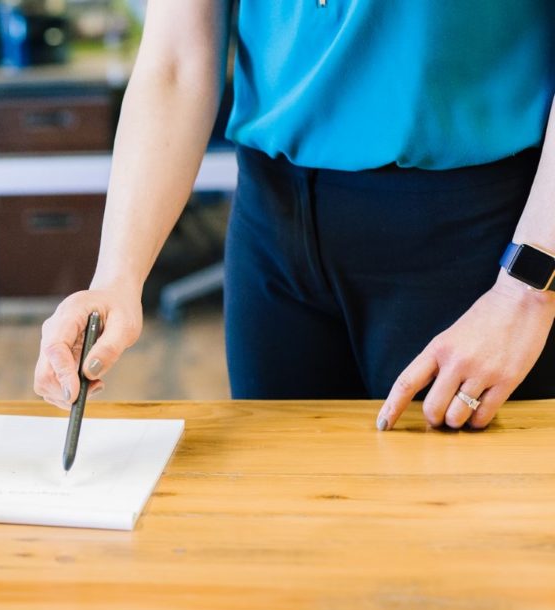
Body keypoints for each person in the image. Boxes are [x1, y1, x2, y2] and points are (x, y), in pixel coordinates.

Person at [34, 1, 555, 431]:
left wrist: (528, 287)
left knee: (457, 535)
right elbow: (175, 59)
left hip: (479, 238)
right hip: (273, 229)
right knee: (282, 524)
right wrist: (115, 281)